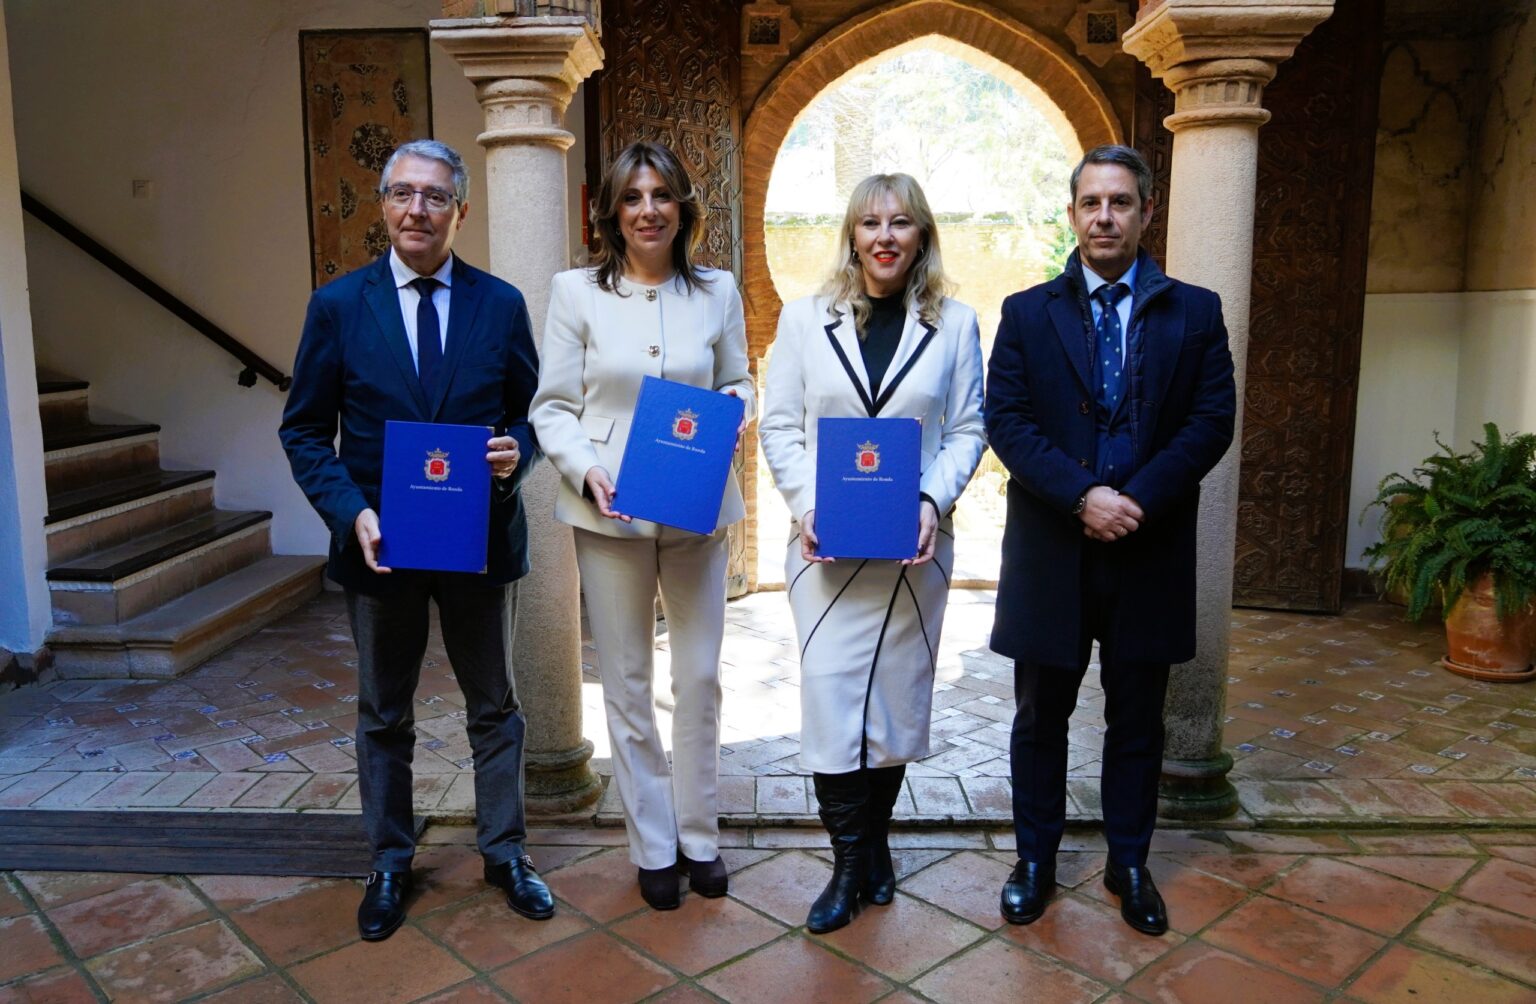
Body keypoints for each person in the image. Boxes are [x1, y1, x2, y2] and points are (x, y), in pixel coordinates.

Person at [280, 139, 554, 940]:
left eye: (435, 197)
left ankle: (505, 853)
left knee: (495, 708)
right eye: (402, 194)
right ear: (383, 206)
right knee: (383, 714)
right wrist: (350, 511)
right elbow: (303, 431)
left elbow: (531, 415)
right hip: (381, 547)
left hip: (480, 542)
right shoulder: (337, 306)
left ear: (460, 210)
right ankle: (391, 860)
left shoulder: (500, 304)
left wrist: (516, 450)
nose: (417, 210)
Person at [984, 144, 1236, 935]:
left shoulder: (1196, 311)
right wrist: (1081, 495)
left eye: (1120, 202)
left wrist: (1136, 501)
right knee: (1040, 717)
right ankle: (1036, 860)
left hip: (1149, 549)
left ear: (1146, 213)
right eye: (1091, 202)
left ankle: (1129, 862)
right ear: (1072, 214)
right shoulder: (1028, 312)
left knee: (1138, 717)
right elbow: (1008, 423)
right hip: (1053, 552)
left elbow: (1210, 421)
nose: (1105, 216)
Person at [529, 141, 753, 911]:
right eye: (633, 197)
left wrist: (729, 421)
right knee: (626, 681)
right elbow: (552, 405)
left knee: (698, 676)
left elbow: (737, 380)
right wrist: (587, 468)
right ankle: (653, 843)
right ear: (612, 212)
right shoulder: (576, 292)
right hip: (610, 511)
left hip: (696, 509)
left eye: (661, 195)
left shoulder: (717, 289)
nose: (648, 210)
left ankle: (701, 834)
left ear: (682, 207)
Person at [759, 173, 986, 933]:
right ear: (851, 235)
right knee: (830, 698)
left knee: (891, 705)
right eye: (869, 222)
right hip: (825, 548)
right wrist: (807, 504)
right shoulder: (802, 320)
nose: (884, 236)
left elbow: (967, 430)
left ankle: (873, 847)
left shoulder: (954, 326)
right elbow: (780, 427)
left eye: (900, 222)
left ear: (922, 234)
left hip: (914, 549)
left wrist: (931, 501)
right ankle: (849, 864)